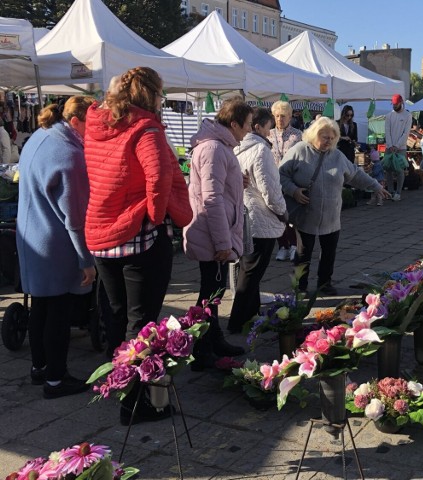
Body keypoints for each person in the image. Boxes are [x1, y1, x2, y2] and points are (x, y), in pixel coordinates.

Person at [84, 67, 193, 424]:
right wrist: (157, 215)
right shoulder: (145, 128)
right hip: (137, 236)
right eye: (161, 95)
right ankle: (135, 404)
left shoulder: (98, 126)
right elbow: (159, 175)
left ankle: (117, 388)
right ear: (150, 95)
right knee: (141, 323)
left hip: (101, 234)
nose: (162, 101)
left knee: (115, 316)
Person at [17, 96, 96, 399]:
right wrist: (85, 259)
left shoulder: (40, 136)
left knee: (41, 307)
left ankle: (40, 369)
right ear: (77, 122)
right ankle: (55, 379)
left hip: (31, 235)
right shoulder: (70, 155)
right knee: (59, 313)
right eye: (94, 123)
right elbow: (74, 219)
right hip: (56, 244)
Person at [280, 117, 390, 295]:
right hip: (306, 213)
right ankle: (299, 287)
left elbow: (355, 175)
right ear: (313, 135)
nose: (328, 141)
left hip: (331, 216)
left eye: (332, 138)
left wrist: (376, 186)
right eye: (324, 137)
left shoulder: (337, 156)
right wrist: (294, 191)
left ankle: (325, 284)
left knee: (329, 253)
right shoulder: (299, 151)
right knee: (303, 254)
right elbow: (281, 175)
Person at [183, 98, 251, 364]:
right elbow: (211, 199)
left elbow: (219, 189)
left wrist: (238, 182)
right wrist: (223, 243)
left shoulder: (220, 146)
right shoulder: (213, 148)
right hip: (212, 235)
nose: (247, 131)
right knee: (210, 292)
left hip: (215, 231)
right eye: (245, 125)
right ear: (233, 124)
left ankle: (213, 338)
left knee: (215, 291)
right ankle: (201, 348)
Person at [227, 108, 287, 333]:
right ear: (258, 127)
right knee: (251, 272)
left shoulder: (236, 147)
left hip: (241, 215)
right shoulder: (261, 150)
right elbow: (270, 190)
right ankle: (238, 321)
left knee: (247, 269)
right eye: (269, 128)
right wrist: (282, 212)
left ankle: (252, 315)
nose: (270, 133)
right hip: (260, 218)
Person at [268, 100, 302, 262]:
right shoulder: (268, 134)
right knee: (276, 216)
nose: (280, 119)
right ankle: (282, 246)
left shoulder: (297, 135)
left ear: (290, 116)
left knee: (291, 216)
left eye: (283, 116)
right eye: (277, 116)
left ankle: (295, 245)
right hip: (272, 181)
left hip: (290, 181)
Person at [384, 94, 413, 202]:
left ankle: (398, 192)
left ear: (401, 103)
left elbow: (406, 133)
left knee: (400, 170)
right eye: (393, 104)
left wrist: (397, 145)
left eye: (396, 104)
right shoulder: (389, 116)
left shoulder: (407, 115)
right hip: (389, 146)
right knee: (388, 169)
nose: (394, 106)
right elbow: (387, 131)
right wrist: (390, 145)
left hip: (401, 147)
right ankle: (390, 191)